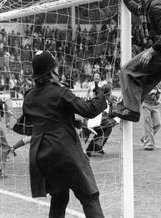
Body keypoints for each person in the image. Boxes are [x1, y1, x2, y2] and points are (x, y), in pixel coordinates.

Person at [22, 50, 112, 218]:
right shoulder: (60, 92)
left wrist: (69, 121)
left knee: (59, 197)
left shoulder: (28, 97)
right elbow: (89, 110)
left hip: (42, 154)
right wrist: (100, 94)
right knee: (90, 197)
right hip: (65, 151)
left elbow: (39, 120)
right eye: (56, 67)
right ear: (51, 73)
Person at [84, 93, 120, 157]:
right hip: (92, 121)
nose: (114, 101)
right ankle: (97, 146)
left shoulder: (109, 103)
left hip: (98, 122)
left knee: (107, 127)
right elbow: (104, 115)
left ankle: (95, 148)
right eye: (113, 99)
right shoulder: (102, 102)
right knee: (108, 126)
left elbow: (109, 115)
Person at [140, 83, 161, 150]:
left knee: (158, 124)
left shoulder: (159, 82)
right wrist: (152, 92)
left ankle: (144, 137)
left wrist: (158, 99)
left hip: (154, 105)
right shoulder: (146, 81)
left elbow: (160, 92)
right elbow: (143, 93)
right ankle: (148, 144)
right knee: (148, 124)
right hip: (146, 104)